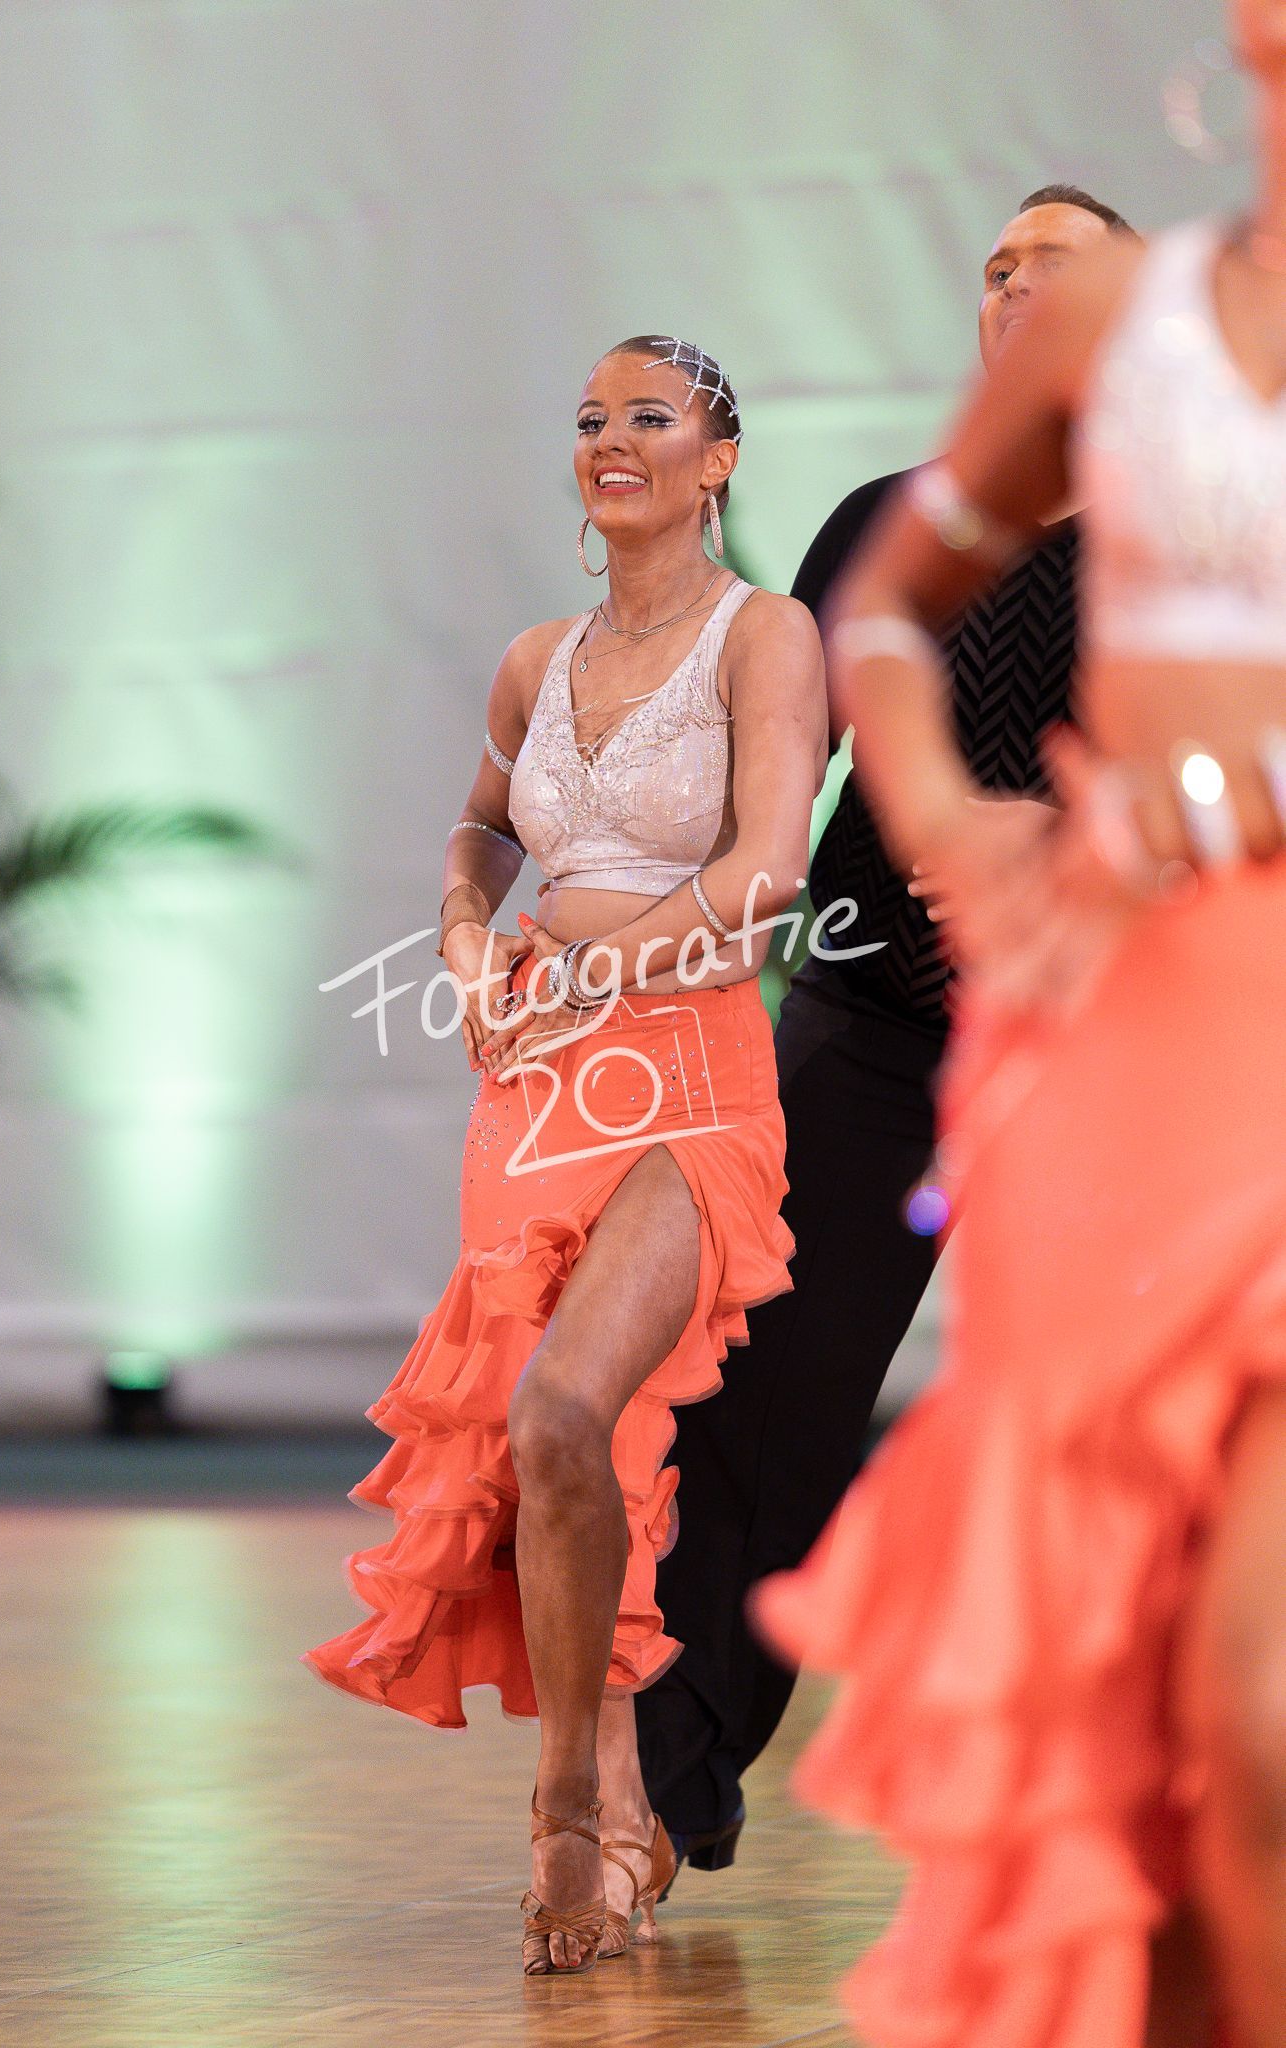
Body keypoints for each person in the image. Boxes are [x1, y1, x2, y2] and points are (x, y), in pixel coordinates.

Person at [757, 5, 1286, 2043]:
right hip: (1126, 1042)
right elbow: (883, 610)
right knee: (1117, 1682)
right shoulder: (1111, 327)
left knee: (1256, 1704)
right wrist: (943, 820)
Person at [304, 335, 827, 1975]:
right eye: (591, 418)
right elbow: (481, 825)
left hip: (683, 1078)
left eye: (649, 416)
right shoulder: (537, 657)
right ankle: (605, 1790)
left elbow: (767, 869)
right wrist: (468, 931)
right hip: (531, 1086)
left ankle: (560, 1806)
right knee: (545, 1456)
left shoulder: (765, 634)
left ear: (716, 459)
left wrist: (599, 964)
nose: (613, 438)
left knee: (563, 1409)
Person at [635, 184, 1138, 1874]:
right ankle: (664, 1787)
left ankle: (1131, 1822)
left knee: (1117, 1429)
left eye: (1054, 263)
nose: (1013, 286)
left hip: (1099, 1045)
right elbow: (780, 787)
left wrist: (1078, 854)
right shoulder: (890, 523)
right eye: (993, 267)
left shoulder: (1197, 531)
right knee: (753, 1393)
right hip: (871, 1022)